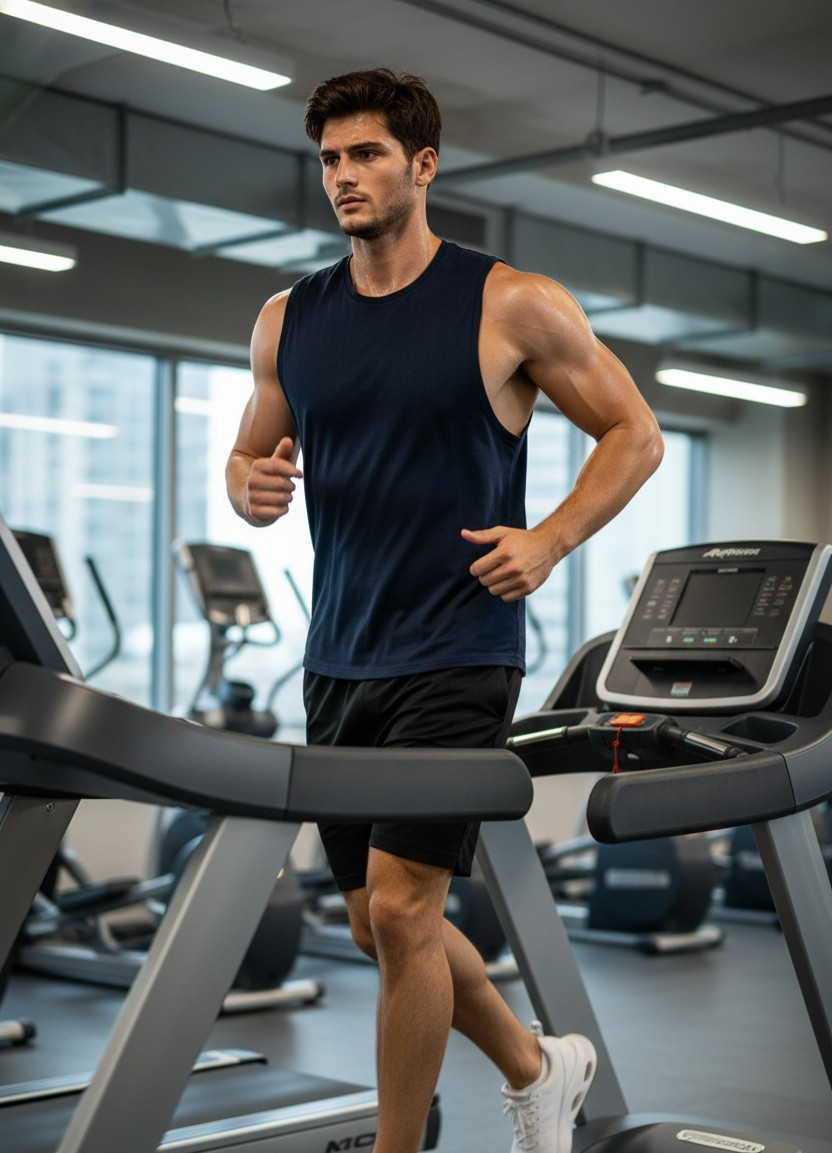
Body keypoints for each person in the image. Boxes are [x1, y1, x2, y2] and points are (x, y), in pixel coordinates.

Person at [227, 67, 664, 1153]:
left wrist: (548, 539)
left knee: (404, 908)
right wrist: (248, 485)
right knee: (374, 924)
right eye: (330, 158)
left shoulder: (509, 301)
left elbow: (635, 434)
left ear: (423, 165)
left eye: (366, 153)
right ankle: (540, 1066)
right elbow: (249, 453)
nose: (344, 175)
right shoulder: (288, 318)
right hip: (339, 653)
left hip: (459, 646)